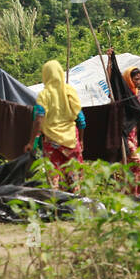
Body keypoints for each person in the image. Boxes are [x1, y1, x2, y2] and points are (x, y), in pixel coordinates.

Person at [26, 59, 85, 188]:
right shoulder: (69, 92)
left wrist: (31, 143)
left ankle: (56, 206)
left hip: (51, 142)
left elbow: (38, 119)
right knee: (74, 177)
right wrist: (81, 140)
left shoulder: (44, 95)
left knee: (54, 179)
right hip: (71, 141)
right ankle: (76, 205)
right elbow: (81, 119)